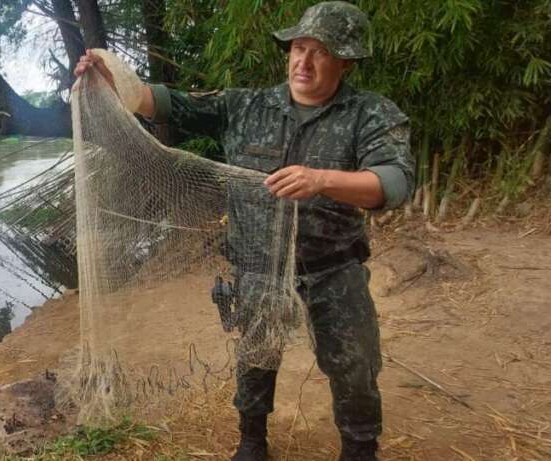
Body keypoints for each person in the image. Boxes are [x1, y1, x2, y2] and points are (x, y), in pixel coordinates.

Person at [73, 2, 414, 460]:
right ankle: (252, 442)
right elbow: (158, 101)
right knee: (255, 359)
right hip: (256, 269)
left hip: (333, 269)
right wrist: (113, 79)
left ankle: (359, 449)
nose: (303, 62)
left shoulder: (370, 114)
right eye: (298, 48)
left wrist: (322, 180)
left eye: (320, 52)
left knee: (354, 369)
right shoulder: (246, 105)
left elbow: (394, 183)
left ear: (347, 61)